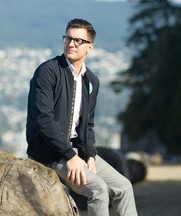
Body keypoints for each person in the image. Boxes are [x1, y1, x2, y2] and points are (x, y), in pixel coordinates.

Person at [26, 18, 138, 216]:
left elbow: (87, 124)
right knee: (98, 190)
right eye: (68, 38)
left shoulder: (91, 81)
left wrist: (91, 155)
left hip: (76, 153)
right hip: (49, 154)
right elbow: (43, 120)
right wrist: (70, 155)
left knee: (124, 187)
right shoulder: (47, 72)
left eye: (78, 40)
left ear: (90, 47)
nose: (71, 44)